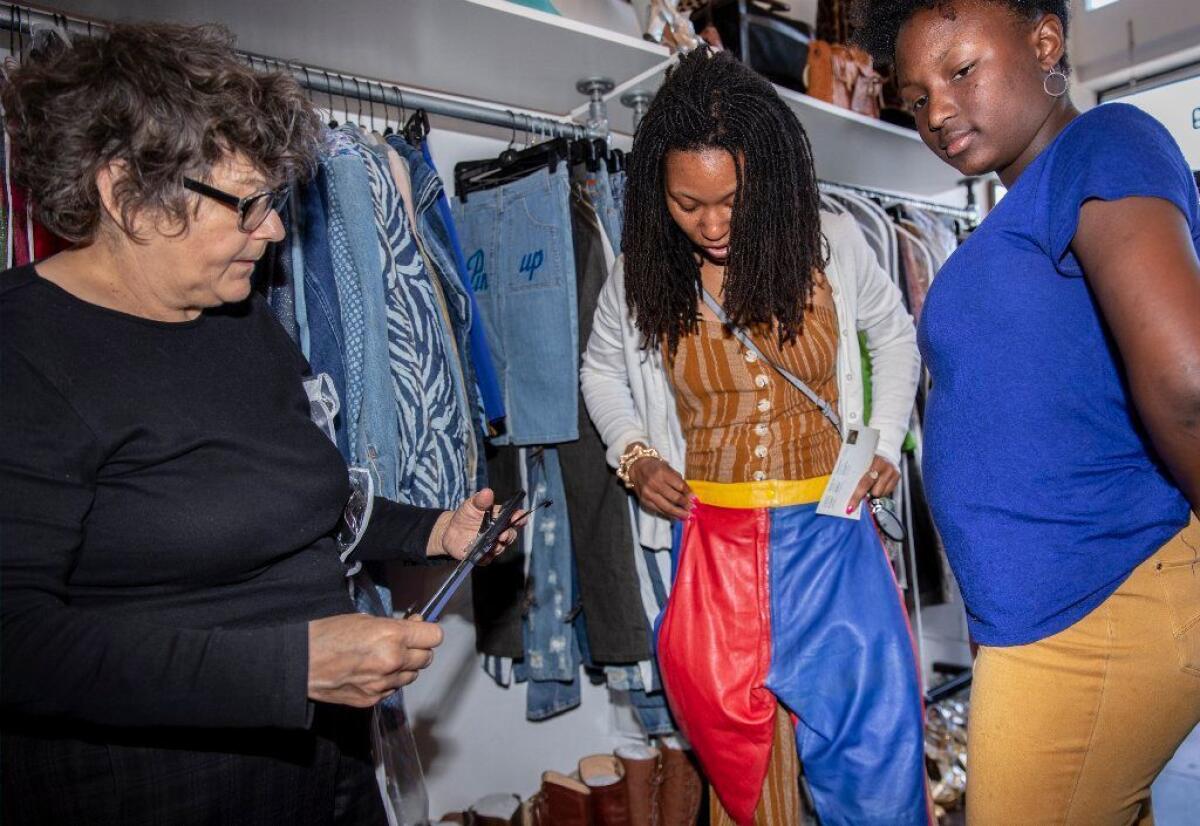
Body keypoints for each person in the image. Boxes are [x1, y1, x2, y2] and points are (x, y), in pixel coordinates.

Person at [0, 24, 519, 826]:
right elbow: (19, 643)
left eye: (273, 204)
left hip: (322, 761)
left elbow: (301, 497)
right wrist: (292, 668)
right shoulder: (22, 352)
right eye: (248, 205)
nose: (275, 231)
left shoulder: (236, 318)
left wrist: (435, 533)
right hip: (152, 790)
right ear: (124, 192)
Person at [852, 1, 1200, 823]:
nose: (936, 110)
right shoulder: (1025, 203)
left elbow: (1187, 379)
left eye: (960, 71)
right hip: (1056, 613)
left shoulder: (1104, 142)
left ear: (1045, 42)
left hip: (1097, 606)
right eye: (915, 96)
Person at [580, 48, 930, 826]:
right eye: (687, 204)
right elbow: (600, 371)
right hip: (713, 550)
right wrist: (633, 456)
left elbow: (894, 335)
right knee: (745, 780)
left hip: (832, 537)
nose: (711, 225)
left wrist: (883, 436)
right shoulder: (641, 272)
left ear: (766, 176)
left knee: (876, 758)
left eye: (731, 201)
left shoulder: (831, 241)